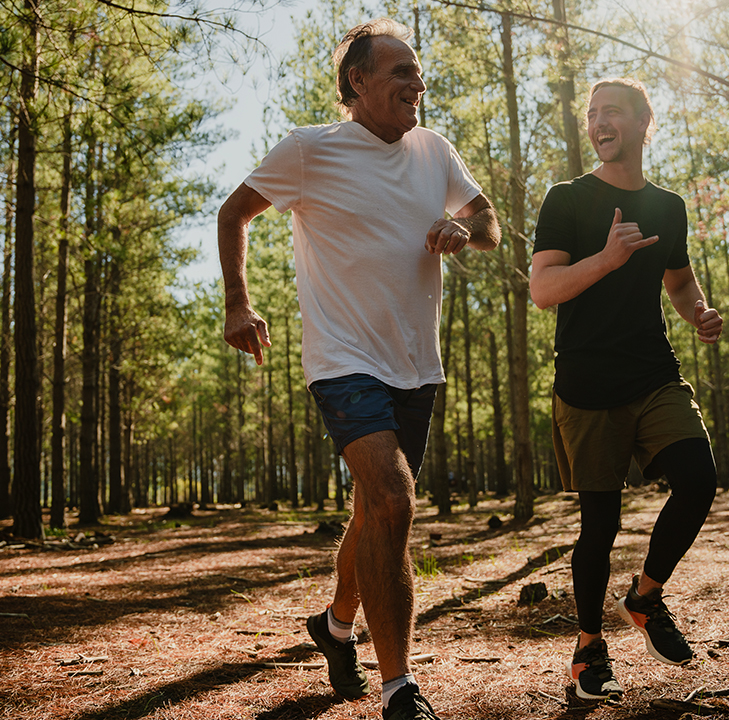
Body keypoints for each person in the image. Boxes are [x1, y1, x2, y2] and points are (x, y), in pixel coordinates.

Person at [217, 18, 500, 720]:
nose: (417, 82)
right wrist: (237, 305)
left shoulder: (434, 150)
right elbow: (233, 213)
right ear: (358, 82)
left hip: (417, 364)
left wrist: (467, 231)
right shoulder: (311, 151)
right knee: (395, 501)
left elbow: (487, 218)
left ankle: (335, 625)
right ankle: (400, 687)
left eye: (418, 71)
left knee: (372, 512)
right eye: (401, 71)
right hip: (342, 360)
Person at [529, 77, 723, 702]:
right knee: (599, 526)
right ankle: (589, 651)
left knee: (699, 478)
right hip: (586, 384)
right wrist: (606, 261)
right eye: (592, 114)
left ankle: (644, 595)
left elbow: (680, 280)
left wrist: (698, 312)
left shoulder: (668, 207)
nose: (598, 122)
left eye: (612, 112)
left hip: (653, 373)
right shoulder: (566, 199)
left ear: (644, 123)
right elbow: (544, 290)